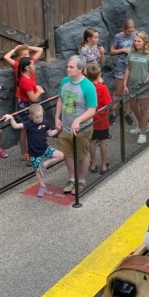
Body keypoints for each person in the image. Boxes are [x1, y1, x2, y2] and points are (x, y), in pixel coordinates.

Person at [54, 55, 98, 194]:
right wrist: (57, 117)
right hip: (66, 127)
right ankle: (73, 179)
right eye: (68, 66)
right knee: (67, 154)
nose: (68, 69)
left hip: (82, 129)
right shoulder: (65, 81)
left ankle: (82, 181)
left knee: (81, 155)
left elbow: (92, 109)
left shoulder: (88, 86)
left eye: (71, 67)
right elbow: (60, 99)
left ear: (80, 69)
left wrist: (78, 121)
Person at [5, 104, 62, 197]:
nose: (39, 119)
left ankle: (45, 164)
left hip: (45, 148)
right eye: (36, 117)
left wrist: (58, 129)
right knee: (37, 171)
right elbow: (15, 126)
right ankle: (42, 186)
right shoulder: (28, 124)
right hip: (34, 153)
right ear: (31, 116)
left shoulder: (46, 123)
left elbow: (50, 133)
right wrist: (11, 118)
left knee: (61, 155)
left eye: (41, 116)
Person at [125, 31, 149, 144]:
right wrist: (125, 84)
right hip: (132, 86)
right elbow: (128, 68)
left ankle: (143, 133)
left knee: (143, 110)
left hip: (145, 87)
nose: (136, 43)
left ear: (145, 42)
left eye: (139, 41)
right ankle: (141, 126)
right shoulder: (131, 53)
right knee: (134, 107)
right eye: (135, 41)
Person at [14, 56, 44, 160]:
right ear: (27, 68)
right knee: (27, 130)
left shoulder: (28, 77)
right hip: (27, 107)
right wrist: (39, 91)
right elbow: (33, 98)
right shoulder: (25, 80)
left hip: (29, 105)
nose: (33, 66)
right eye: (32, 64)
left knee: (29, 130)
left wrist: (36, 88)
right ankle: (26, 154)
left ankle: (30, 152)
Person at [86, 63, 112, 174]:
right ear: (99, 75)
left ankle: (93, 164)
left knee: (92, 141)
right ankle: (104, 165)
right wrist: (102, 84)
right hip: (102, 119)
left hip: (90, 119)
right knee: (103, 142)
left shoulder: (87, 87)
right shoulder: (103, 88)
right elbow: (108, 103)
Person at [110, 19, 137, 126]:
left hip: (132, 67)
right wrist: (122, 50)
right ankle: (113, 114)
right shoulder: (118, 36)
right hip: (121, 67)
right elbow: (112, 51)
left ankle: (127, 113)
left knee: (128, 92)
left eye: (132, 31)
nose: (130, 33)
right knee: (117, 92)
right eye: (128, 31)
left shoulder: (136, 35)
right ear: (124, 28)